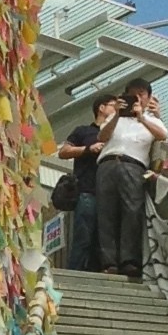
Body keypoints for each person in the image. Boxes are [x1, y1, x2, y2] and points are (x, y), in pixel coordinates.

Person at [94, 75, 165, 280]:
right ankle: (108, 262)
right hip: (108, 163)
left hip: (134, 166)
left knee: (132, 211)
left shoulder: (152, 120)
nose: (137, 98)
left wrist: (142, 117)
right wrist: (117, 114)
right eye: (132, 95)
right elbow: (101, 136)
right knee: (106, 212)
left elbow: (163, 136)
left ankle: (129, 261)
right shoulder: (114, 117)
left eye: (141, 94)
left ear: (149, 98)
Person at [58, 109, 107, 268]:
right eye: (113, 105)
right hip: (88, 190)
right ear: (102, 107)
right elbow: (63, 152)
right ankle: (74, 272)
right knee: (83, 237)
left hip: (110, 195)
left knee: (103, 242)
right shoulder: (84, 131)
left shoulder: (120, 133)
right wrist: (88, 149)